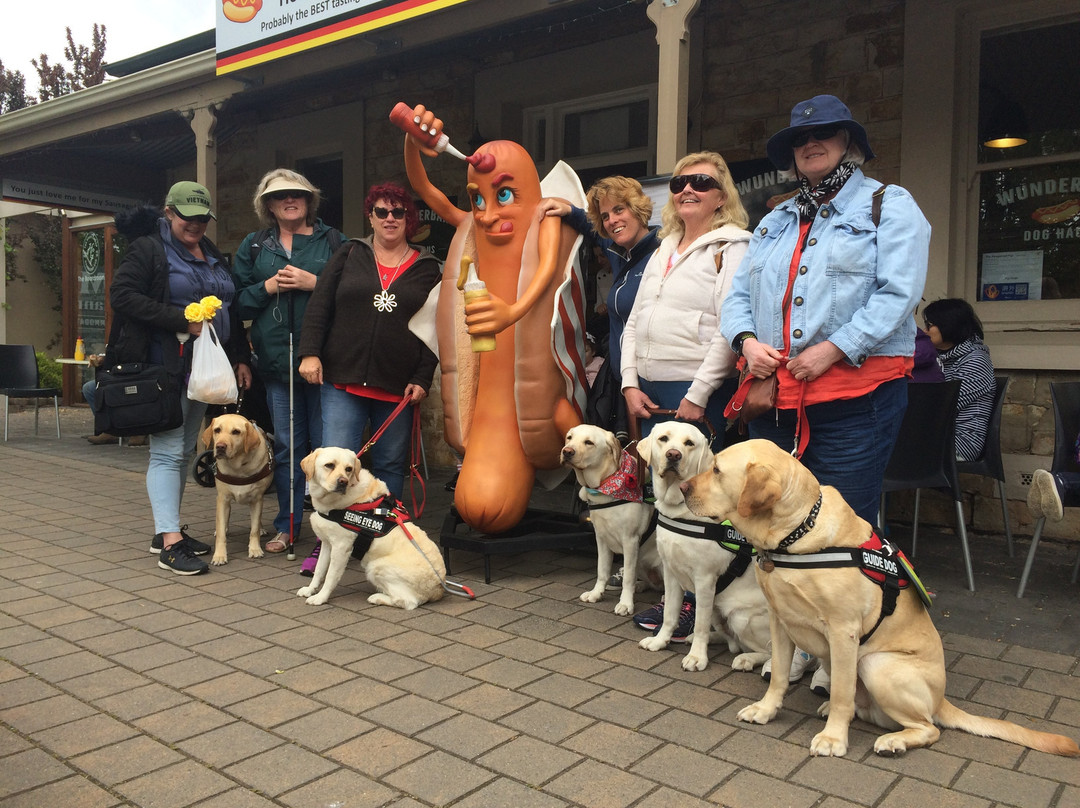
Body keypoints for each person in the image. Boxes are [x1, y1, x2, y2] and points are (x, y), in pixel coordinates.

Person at [721, 95, 930, 692]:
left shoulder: (890, 205)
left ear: (849, 143)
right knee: (774, 525)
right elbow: (738, 297)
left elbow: (897, 294)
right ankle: (800, 645)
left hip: (857, 399)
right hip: (777, 400)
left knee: (845, 527)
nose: (810, 144)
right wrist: (745, 342)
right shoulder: (773, 220)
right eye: (800, 139)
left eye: (827, 134)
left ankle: (858, 647)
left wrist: (834, 347)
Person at [620, 151, 752, 643]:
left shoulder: (734, 245)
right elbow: (635, 320)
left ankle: (704, 609)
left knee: (701, 501)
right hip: (651, 390)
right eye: (679, 183)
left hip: (699, 389)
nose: (687, 190)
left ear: (722, 195)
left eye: (701, 181)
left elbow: (730, 325)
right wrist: (630, 382)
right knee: (666, 498)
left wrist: (698, 396)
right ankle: (676, 604)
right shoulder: (665, 244)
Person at [109, 182, 252, 575]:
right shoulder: (148, 249)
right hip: (166, 366)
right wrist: (179, 320)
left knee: (186, 449)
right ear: (168, 212)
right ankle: (169, 542)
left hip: (207, 367)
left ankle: (166, 530)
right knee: (169, 451)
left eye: (202, 217)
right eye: (186, 216)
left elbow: (229, 308)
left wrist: (240, 356)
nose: (195, 224)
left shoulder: (210, 253)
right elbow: (121, 296)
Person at [299, 182, 440, 500]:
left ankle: (384, 540)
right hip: (342, 380)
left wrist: (422, 378)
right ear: (371, 216)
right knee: (334, 467)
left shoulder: (428, 268)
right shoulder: (349, 253)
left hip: (396, 386)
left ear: (408, 218)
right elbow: (320, 304)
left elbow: (435, 329)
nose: (390, 218)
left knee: (389, 467)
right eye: (381, 211)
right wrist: (310, 353)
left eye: (398, 212)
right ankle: (330, 542)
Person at [232, 169, 344, 554]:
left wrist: (315, 283)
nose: (289, 200)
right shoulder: (255, 245)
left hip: (327, 361)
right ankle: (288, 526)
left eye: (297, 193)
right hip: (279, 365)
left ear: (309, 199)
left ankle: (332, 529)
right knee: (288, 450)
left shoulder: (333, 240)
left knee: (328, 450)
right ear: (268, 205)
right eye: (280, 196)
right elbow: (238, 303)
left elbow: (352, 292)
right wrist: (267, 287)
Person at [541, 176, 661, 440]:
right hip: (624, 383)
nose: (612, 221)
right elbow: (592, 228)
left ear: (638, 208)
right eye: (606, 216)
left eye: (619, 210)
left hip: (654, 385)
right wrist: (568, 210)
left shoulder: (663, 252)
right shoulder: (619, 251)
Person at [922, 298, 995, 461]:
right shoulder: (939, 358)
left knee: (877, 447)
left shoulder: (975, 360)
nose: (924, 330)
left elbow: (942, 407)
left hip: (960, 441)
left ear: (949, 324)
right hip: (933, 435)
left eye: (929, 325)